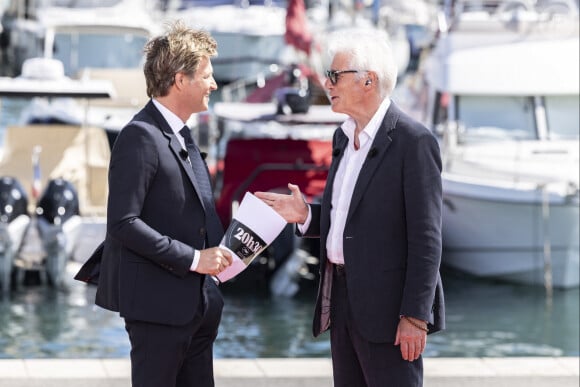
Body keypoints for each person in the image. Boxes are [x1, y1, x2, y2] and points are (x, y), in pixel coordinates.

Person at [255, 28, 445, 387]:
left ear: (368, 81)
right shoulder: (343, 135)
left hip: (391, 314)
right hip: (342, 304)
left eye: (334, 75)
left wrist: (415, 317)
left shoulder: (414, 142)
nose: (326, 83)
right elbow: (347, 214)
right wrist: (306, 215)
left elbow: (427, 238)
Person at [93, 21, 232, 387]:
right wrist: (193, 259)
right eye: (207, 75)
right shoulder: (140, 136)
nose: (214, 84)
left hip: (199, 309)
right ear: (180, 79)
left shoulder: (182, 136)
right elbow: (123, 223)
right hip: (158, 312)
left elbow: (197, 215)